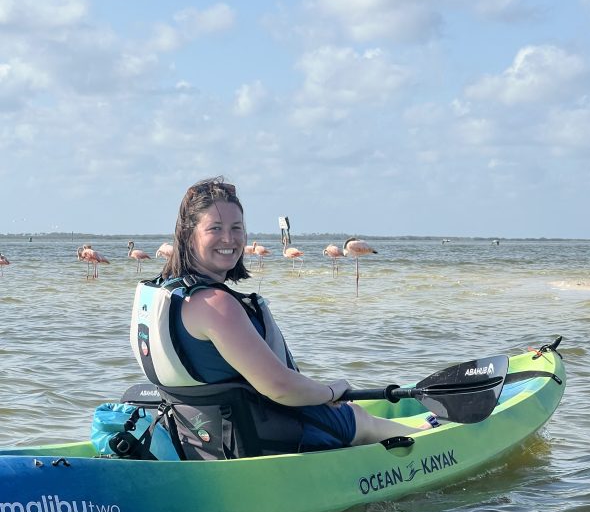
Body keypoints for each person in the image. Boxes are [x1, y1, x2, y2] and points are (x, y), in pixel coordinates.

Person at [130, 176, 433, 458]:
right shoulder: (216, 304)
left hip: (198, 438)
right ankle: (432, 438)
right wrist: (329, 391)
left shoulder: (155, 296)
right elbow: (280, 388)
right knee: (357, 418)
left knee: (345, 411)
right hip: (256, 441)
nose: (230, 239)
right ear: (188, 233)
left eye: (237, 228)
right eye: (215, 228)